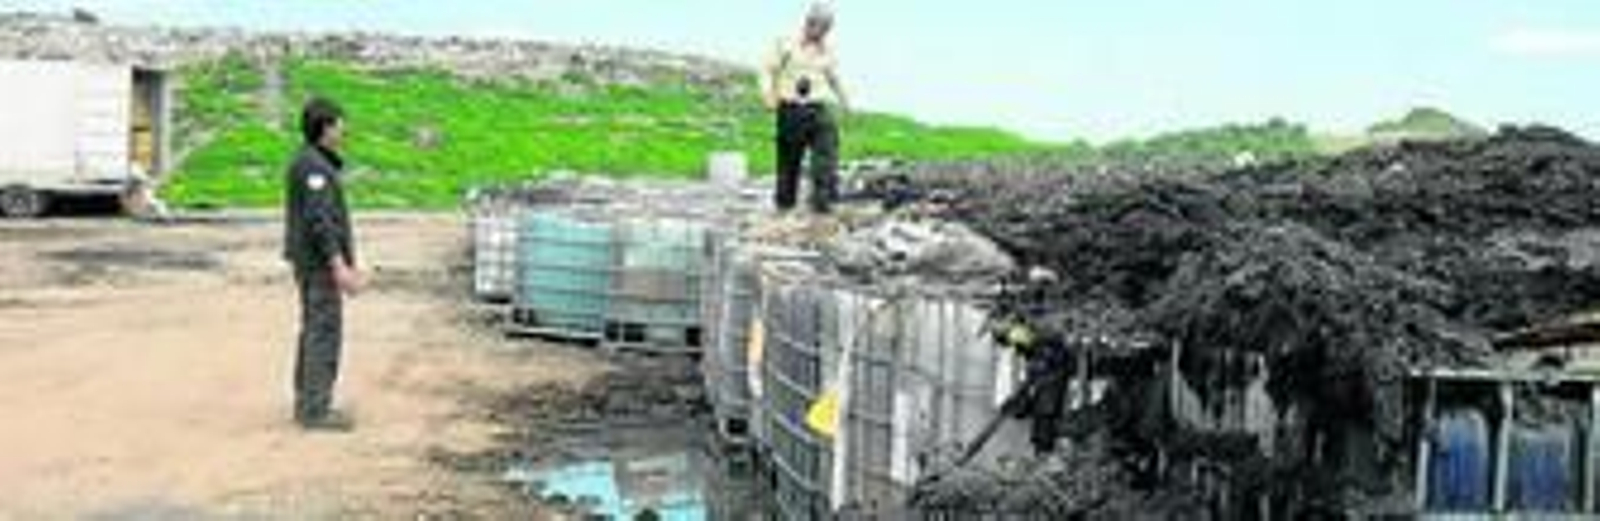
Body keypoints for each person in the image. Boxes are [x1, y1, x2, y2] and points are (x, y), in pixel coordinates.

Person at [283, 97, 363, 431]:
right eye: (340, 124)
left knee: (314, 329)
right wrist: (338, 265)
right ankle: (316, 410)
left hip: (312, 262)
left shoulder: (312, 162)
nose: (344, 131)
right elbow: (320, 221)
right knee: (323, 332)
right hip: (318, 264)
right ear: (325, 127)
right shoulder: (314, 167)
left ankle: (308, 403)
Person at [763, 1, 851, 214]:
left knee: (827, 151)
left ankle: (822, 203)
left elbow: (832, 77)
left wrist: (844, 100)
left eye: (828, 29)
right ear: (809, 23)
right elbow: (768, 70)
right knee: (789, 160)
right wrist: (768, 95)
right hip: (790, 107)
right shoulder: (785, 43)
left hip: (817, 107)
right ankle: (785, 205)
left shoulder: (827, 50)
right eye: (822, 27)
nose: (824, 33)